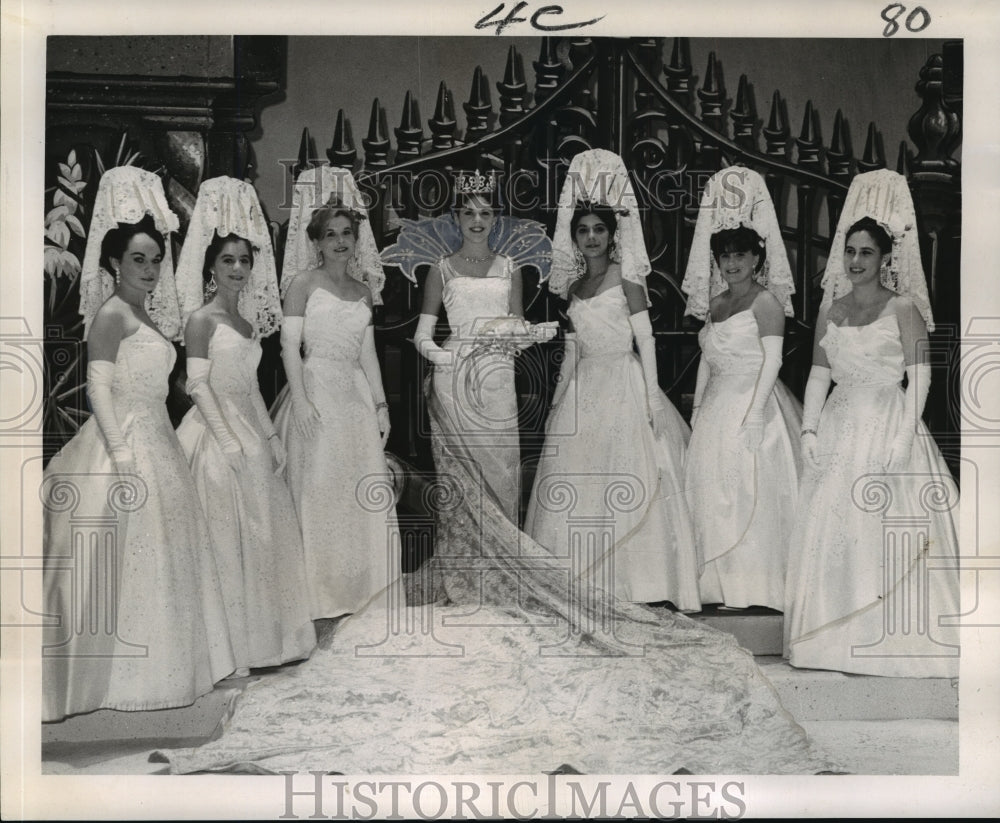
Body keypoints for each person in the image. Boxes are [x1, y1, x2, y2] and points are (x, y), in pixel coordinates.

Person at [156, 169, 837, 777]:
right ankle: (459, 580)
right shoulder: (439, 271)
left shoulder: (512, 265)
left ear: (495, 219)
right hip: (455, 384)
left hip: (498, 391)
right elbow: (421, 337)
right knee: (451, 498)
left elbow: (514, 326)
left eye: (486, 213)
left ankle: (506, 582)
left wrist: (527, 337)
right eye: (469, 213)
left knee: (504, 490)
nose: (478, 222)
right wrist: (444, 357)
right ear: (458, 218)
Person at [42, 167, 235, 721]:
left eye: (154, 260)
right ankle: (125, 675)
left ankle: (171, 664)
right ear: (112, 264)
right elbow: (98, 390)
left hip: (157, 436)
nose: (149, 269)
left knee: (165, 551)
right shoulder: (110, 315)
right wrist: (122, 456)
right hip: (124, 440)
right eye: (137, 260)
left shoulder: (143, 313)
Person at [784, 169, 960, 677]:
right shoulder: (831, 311)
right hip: (840, 425)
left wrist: (903, 438)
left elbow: (920, 378)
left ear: (886, 259)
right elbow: (818, 376)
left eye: (866, 253)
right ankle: (831, 638)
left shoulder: (903, 308)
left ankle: (893, 637)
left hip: (887, 420)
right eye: (850, 252)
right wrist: (810, 429)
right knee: (834, 530)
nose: (856, 261)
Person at [526, 151, 700, 609]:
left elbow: (646, 339)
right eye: (582, 231)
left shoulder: (628, 278)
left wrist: (653, 399)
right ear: (574, 238)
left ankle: (639, 581)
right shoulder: (574, 288)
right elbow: (571, 353)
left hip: (624, 380)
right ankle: (582, 576)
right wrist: (557, 403)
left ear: (611, 234)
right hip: (585, 389)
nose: (591, 238)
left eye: (598, 229)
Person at [174, 176, 316, 673]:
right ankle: (229, 647)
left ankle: (266, 641)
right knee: (225, 532)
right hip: (214, 433)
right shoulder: (201, 319)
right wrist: (228, 439)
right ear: (210, 268)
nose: (237, 269)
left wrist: (271, 436)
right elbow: (196, 385)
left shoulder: (248, 323)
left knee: (263, 532)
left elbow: (252, 386)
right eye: (227, 261)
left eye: (244, 260)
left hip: (249, 427)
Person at [271, 165, 399, 620]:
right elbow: (288, 346)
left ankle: (361, 591)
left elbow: (367, 355)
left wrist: (381, 406)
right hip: (316, 392)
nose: (340, 242)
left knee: (358, 492)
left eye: (347, 233)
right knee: (321, 489)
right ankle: (320, 596)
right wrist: (302, 400)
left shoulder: (364, 291)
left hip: (356, 398)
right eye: (331, 234)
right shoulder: (303, 285)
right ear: (317, 241)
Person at [681, 166, 802, 610]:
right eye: (725, 258)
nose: (732, 264)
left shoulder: (765, 302)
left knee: (750, 491)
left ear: (756, 259)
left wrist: (754, 414)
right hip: (716, 406)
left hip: (754, 402)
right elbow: (707, 356)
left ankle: (754, 587)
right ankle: (716, 584)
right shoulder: (716, 304)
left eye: (740, 256)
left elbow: (772, 359)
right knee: (713, 490)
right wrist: (696, 409)